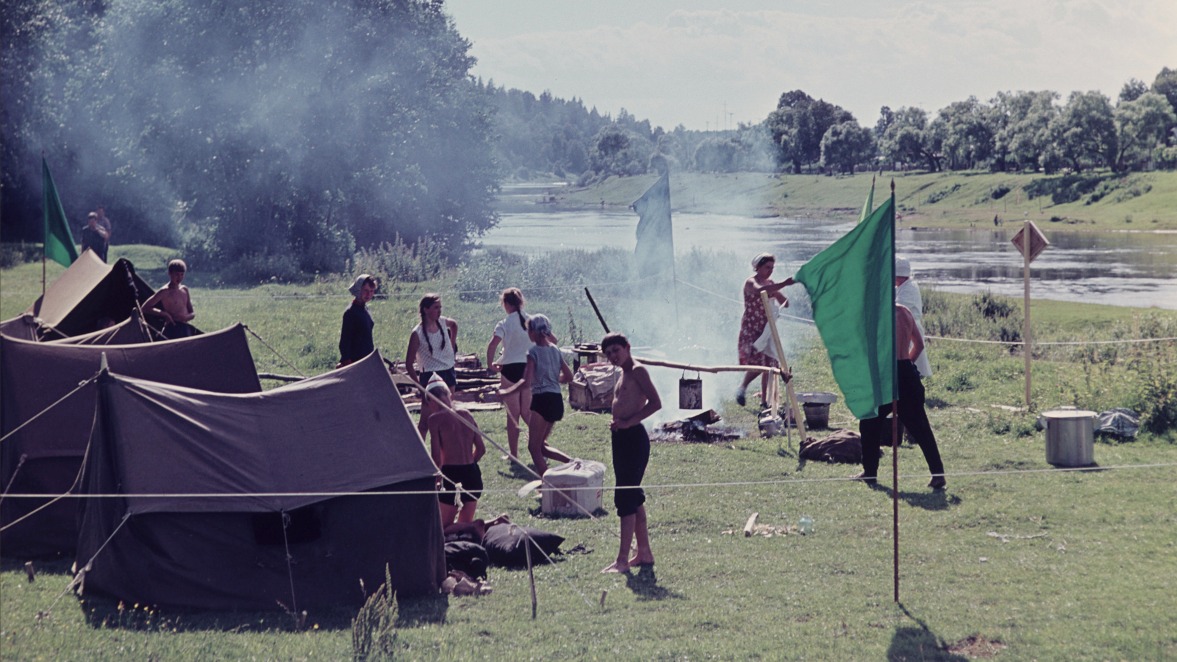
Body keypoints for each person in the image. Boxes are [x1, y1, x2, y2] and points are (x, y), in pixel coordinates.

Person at [854, 303, 947, 490]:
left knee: (869, 422)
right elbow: (919, 345)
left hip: (885, 372)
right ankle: (938, 474)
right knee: (921, 427)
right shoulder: (904, 311)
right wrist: (906, 366)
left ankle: (870, 472)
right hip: (906, 371)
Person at [599, 332, 661, 574]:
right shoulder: (623, 373)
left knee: (625, 497)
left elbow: (655, 403)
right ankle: (644, 552)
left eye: (616, 350)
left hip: (634, 439)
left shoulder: (638, 370)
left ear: (627, 347)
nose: (613, 356)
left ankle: (622, 560)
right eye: (608, 354)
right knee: (632, 496)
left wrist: (628, 422)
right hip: (621, 438)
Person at [485, 288, 553, 460]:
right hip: (530, 368)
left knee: (513, 415)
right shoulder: (533, 321)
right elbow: (552, 340)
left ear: (507, 304)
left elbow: (493, 345)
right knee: (527, 413)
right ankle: (542, 447)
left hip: (510, 370)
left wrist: (490, 364)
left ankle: (513, 455)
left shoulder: (504, 323)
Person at [500, 314, 571, 475]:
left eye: (529, 331)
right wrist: (552, 378)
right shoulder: (556, 350)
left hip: (542, 401)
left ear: (533, 332)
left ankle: (547, 485)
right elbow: (569, 377)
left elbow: (526, 382)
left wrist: (505, 392)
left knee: (534, 447)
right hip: (556, 401)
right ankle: (573, 463)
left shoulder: (533, 352)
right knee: (541, 446)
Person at [426, 377, 486, 526]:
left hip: (451, 475)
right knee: (463, 526)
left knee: (442, 529)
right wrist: (469, 464)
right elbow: (481, 449)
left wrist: (437, 479)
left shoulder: (435, 420)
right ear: (449, 395)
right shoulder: (466, 414)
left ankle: (476, 526)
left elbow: (436, 458)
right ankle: (480, 525)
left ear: (431, 401)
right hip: (472, 474)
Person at [736, 253, 790, 409]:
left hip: (765, 328)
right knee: (757, 363)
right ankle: (742, 388)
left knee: (769, 363)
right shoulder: (751, 282)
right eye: (767, 267)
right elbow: (761, 290)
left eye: (772, 268)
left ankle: (764, 401)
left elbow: (785, 303)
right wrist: (783, 283)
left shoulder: (770, 283)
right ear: (758, 267)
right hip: (752, 327)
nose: (770, 271)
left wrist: (779, 295)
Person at [406, 294, 459, 436]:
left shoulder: (442, 322)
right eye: (436, 308)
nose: (439, 311)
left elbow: (454, 325)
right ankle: (419, 455)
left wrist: (452, 345)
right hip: (430, 377)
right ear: (426, 309)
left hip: (448, 372)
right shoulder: (417, 334)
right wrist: (420, 387)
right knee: (426, 421)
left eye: (440, 307)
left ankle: (447, 455)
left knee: (448, 416)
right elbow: (409, 364)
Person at [894, 256, 932, 378]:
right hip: (906, 326)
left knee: (909, 356)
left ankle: (909, 374)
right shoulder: (901, 287)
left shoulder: (909, 289)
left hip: (908, 327)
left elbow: (899, 309)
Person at [142, 259, 196, 339]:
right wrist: (164, 314)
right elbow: (145, 308)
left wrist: (186, 317)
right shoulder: (164, 291)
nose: (179, 278)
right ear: (170, 274)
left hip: (185, 328)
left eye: (182, 274)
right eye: (176, 275)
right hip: (172, 328)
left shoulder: (184, 290)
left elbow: (192, 313)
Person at [338, 274, 377, 367]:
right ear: (359, 289)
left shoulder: (365, 309)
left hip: (366, 360)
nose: (369, 294)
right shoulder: (351, 312)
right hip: (355, 362)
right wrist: (348, 364)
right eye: (366, 290)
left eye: (371, 291)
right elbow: (344, 342)